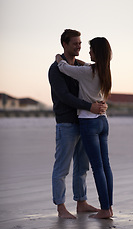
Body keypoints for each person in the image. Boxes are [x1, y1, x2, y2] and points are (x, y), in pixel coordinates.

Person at [48, 29, 107, 219]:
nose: (79, 46)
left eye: (80, 43)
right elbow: (65, 97)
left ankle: (81, 202)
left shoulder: (82, 66)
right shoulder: (56, 69)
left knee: (82, 166)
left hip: (84, 123)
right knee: (62, 167)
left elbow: (94, 87)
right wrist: (90, 106)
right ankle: (61, 207)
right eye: (75, 43)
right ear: (64, 44)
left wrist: (99, 103)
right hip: (66, 123)